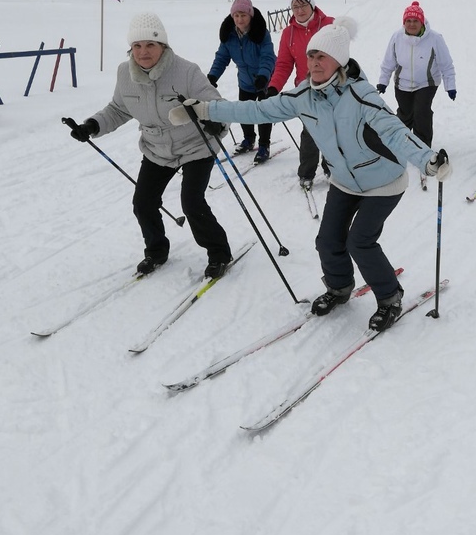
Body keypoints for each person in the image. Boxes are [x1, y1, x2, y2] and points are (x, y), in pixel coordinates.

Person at [169, 17, 452, 332]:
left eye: (322, 57)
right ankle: (340, 287)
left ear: (339, 61)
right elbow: (256, 110)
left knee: (360, 241)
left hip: (383, 181)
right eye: (311, 56)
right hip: (345, 181)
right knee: (327, 240)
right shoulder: (304, 96)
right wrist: (206, 110)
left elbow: (395, 131)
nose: (315, 63)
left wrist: (428, 159)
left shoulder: (361, 95)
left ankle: (389, 298)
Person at [66, 13, 233, 278]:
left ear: (163, 46)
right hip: (157, 149)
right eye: (137, 46)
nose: (143, 52)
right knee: (143, 203)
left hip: (195, 146)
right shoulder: (125, 73)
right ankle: (156, 251)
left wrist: (217, 123)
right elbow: (118, 109)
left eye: (150, 45)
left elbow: (215, 104)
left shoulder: (186, 71)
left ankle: (219, 253)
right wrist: (92, 126)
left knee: (191, 202)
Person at [267, 0, 333, 189]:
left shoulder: (329, 24)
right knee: (310, 131)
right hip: (306, 89)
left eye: (303, 6)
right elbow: (284, 64)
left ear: (312, 6)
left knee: (332, 130)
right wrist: (273, 86)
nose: (300, 11)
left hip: (331, 86)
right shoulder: (288, 34)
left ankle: (332, 168)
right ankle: (306, 173)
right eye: (295, 7)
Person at [376, 0, 457, 149]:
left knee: (421, 113)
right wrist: (383, 81)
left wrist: (450, 86)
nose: (411, 24)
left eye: (415, 21)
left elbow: (446, 65)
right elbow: (388, 62)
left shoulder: (435, 38)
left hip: (427, 83)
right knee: (405, 114)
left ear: (422, 22)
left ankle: (422, 147)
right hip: (402, 84)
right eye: (408, 21)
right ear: (404, 22)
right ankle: (402, 144)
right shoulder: (396, 37)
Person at [207, 0, 276, 163]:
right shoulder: (229, 35)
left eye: (243, 15)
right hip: (245, 80)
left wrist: (263, 76)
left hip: (263, 79)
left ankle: (264, 144)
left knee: (263, 113)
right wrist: (212, 76)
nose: (239, 19)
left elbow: (268, 57)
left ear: (250, 15)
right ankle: (248, 139)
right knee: (244, 112)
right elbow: (222, 57)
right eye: (236, 15)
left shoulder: (261, 33)